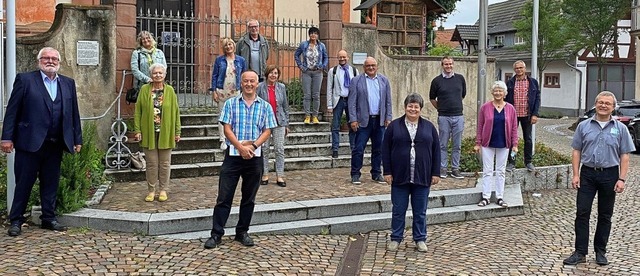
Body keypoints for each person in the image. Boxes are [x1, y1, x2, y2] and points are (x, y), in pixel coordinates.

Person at [2, 47, 83, 236]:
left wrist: (77, 138)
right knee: (24, 183)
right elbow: (12, 111)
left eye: (54, 58)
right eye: (46, 58)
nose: (50, 61)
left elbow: (74, 113)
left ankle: (48, 218)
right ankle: (16, 220)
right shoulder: (25, 80)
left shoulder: (68, 83)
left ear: (59, 62)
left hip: (55, 144)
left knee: (50, 183)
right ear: (39, 61)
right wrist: (7, 137)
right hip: (29, 143)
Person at [204, 70, 277, 249]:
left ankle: (242, 232)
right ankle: (216, 234)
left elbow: (267, 130)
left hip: (254, 157)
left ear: (257, 83)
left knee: (249, 198)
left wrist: (251, 147)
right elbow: (227, 129)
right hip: (233, 157)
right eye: (246, 81)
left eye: (252, 81)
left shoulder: (265, 106)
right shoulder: (230, 104)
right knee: (224, 197)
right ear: (241, 83)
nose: (249, 84)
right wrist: (240, 147)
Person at [563, 91, 634, 266]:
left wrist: (622, 179)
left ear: (613, 107)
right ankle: (580, 252)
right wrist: (576, 174)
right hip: (587, 173)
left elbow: (624, 155)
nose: (603, 105)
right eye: (600, 102)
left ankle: (600, 251)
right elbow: (576, 150)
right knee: (582, 212)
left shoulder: (620, 129)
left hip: (610, 175)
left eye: (607, 103)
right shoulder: (584, 126)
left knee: (605, 215)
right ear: (595, 104)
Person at [382, 93, 440, 252]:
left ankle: (420, 238)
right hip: (400, 175)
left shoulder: (429, 127)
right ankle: (396, 238)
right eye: (410, 106)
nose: (413, 109)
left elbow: (436, 151)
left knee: (420, 211)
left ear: (420, 109)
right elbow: (385, 150)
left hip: (422, 175)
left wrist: (436, 172)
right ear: (405, 107)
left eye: (416, 107)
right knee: (398, 209)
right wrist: (387, 171)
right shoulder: (394, 126)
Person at [134, 63, 181, 202]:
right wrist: (137, 130)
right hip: (149, 132)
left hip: (166, 133)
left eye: (160, 73)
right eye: (155, 73)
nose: (158, 75)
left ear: (165, 75)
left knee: (165, 163)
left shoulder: (170, 91)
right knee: (151, 163)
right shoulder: (144, 89)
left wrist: (177, 131)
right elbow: (138, 111)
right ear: (151, 75)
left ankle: (163, 190)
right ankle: (151, 190)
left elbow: (176, 112)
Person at [348, 57, 392, 185]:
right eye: (368, 66)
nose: (371, 68)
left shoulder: (384, 81)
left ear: (377, 66)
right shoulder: (356, 81)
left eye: (373, 65)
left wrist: (388, 117)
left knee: (379, 149)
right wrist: (353, 119)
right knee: (358, 148)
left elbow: (388, 101)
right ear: (364, 67)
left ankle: (377, 173)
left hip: (379, 120)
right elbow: (352, 103)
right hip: (363, 121)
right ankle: (355, 173)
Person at [474, 81, 518, 207]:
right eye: (496, 90)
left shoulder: (510, 109)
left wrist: (515, 144)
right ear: (492, 92)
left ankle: (499, 197)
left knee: (501, 171)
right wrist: (478, 143)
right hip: (487, 143)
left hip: (504, 143)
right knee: (487, 171)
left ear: (505, 93)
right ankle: (486, 197)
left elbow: (514, 128)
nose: (498, 93)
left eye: (500, 91)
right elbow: (480, 126)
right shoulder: (485, 107)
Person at [429, 56, 466, 179]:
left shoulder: (460, 79)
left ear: (453, 64)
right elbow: (432, 98)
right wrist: (441, 108)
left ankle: (455, 169)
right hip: (444, 117)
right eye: (446, 64)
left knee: (457, 145)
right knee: (443, 144)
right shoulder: (436, 81)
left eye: (450, 64)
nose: (448, 66)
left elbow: (462, 95)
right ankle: (443, 168)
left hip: (458, 116)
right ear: (442, 65)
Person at [257, 65, 290, 187]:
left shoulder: (281, 87)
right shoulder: (260, 87)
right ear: (267, 74)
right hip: (264, 123)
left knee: (279, 149)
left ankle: (280, 175)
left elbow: (285, 107)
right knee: (264, 149)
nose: (273, 75)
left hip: (279, 122)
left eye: (275, 73)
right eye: (271, 73)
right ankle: (265, 174)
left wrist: (286, 123)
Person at [211, 37, 246, 150]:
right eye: (226, 45)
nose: (228, 47)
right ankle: (223, 140)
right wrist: (214, 91)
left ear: (234, 46)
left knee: (236, 115)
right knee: (222, 116)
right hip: (222, 91)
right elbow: (215, 76)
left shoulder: (241, 60)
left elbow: (244, 76)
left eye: (230, 44)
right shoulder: (219, 60)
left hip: (236, 91)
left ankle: (234, 139)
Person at [505, 60, 541, 172]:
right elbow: (505, 99)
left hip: (527, 115)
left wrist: (535, 114)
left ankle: (528, 162)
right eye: (517, 68)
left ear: (525, 69)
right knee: (512, 139)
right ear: (514, 70)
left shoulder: (533, 82)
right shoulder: (510, 83)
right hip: (513, 115)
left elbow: (537, 99)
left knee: (528, 139)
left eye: (521, 68)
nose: (519, 70)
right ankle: (511, 162)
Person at [327, 49, 359, 158]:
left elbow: (357, 89)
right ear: (337, 58)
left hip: (350, 100)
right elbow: (329, 89)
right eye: (340, 57)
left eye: (344, 57)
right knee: (335, 125)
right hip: (338, 99)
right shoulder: (333, 71)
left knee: (353, 125)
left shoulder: (354, 71)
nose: (342, 59)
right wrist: (329, 105)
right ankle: (335, 149)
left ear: (347, 57)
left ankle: (353, 148)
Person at [294, 26, 328, 124]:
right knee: (307, 95)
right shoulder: (304, 45)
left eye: (315, 33)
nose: (313, 35)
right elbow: (296, 55)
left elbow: (326, 57)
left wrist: (323, 66)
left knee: (316, 95)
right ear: (309, 34)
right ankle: (307, 116)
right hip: (306, 71)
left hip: (318, 72)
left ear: (318, 35)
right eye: (312, 33)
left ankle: (315, 116)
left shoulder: (321, 46)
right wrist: (300, 65)